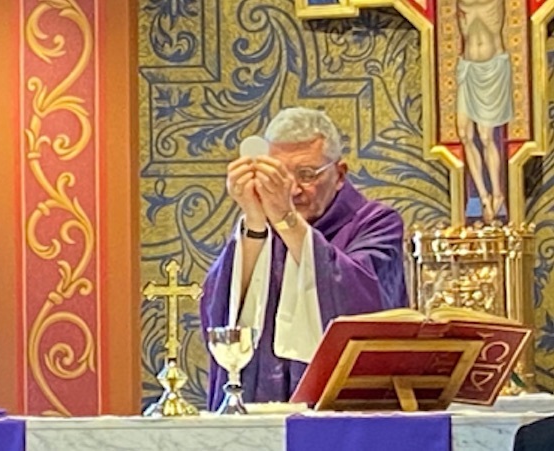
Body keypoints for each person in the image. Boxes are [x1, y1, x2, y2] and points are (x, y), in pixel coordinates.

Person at [199, 107, 409, 410]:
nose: (293, 190)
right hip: (262, 399)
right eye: (281, 177)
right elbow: (221, 308)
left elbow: (364, 302)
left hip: (345, 409)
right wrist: (255, 221)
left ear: (340, 174)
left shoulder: (376, 222)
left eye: (307, 175)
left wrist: (286, 221)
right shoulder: (265, 226)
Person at [455, 0, 512, 222]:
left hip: (491, 68)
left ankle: (497, 193)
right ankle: (483, 196)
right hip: (468, 68)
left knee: (486, 136)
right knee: (464, 134)